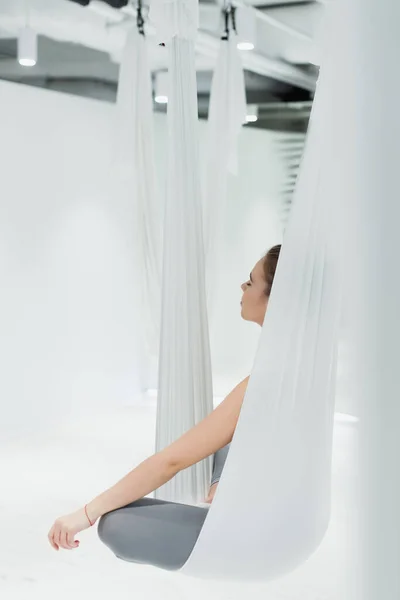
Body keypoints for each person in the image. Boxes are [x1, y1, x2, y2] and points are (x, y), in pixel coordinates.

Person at [47, 245, 281, 570]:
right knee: (226, 437)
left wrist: (86, 513)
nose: (242, 288)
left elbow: (171, 461)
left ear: (275, 299)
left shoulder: (266, 381)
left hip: (254, 539)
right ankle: (220, 489)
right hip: (280, 526)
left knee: (113, 523)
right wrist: (222, 482)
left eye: (251, 282)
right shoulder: (296, 370)